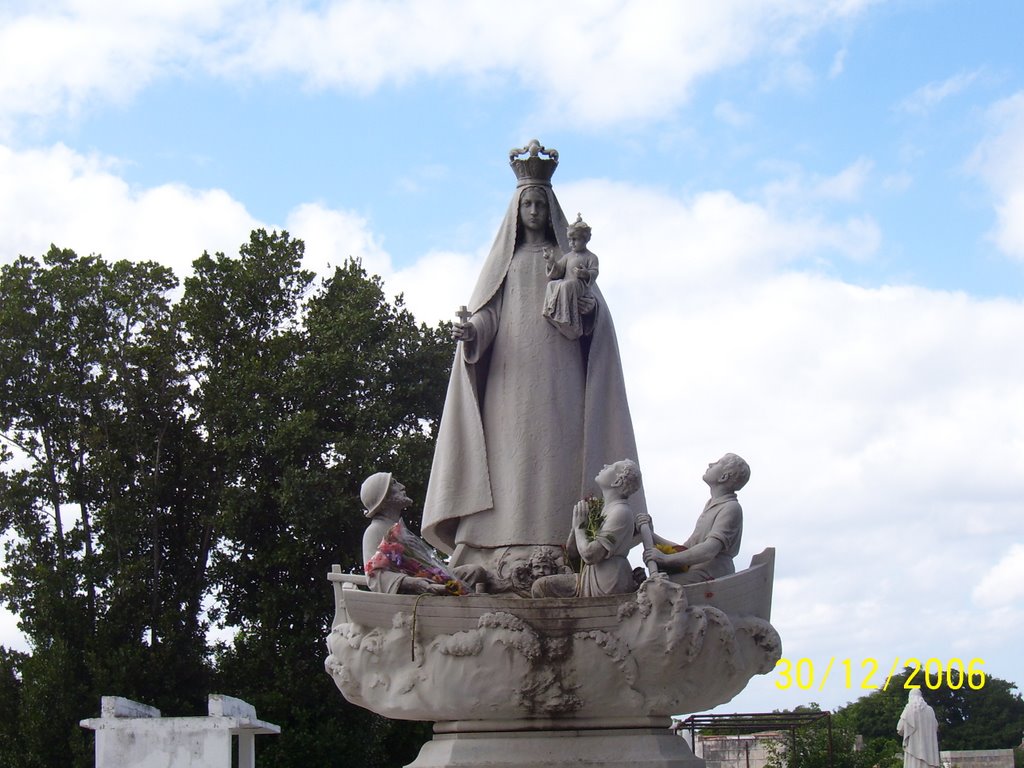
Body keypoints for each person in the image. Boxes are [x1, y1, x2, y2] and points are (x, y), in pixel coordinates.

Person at [422, 140, 644, 577]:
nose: (536, 212)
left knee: (558, 447)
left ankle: (563, 543)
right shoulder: (505, 264)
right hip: (508, 376)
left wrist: (588, 309)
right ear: (516, 213)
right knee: (508, 452)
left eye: (542, 204)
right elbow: (488, 315)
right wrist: (471, 333)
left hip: (560, 375)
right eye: (528, 205)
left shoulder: (568, 262)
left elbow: (595, 321)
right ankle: (494, 547)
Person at [532, 459, 643, 598]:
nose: (605, 465)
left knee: (541, 587)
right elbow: (572, 553)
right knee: (541, 586)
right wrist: (577, 526)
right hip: (591, 576)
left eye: (612, 467)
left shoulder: (621, 512)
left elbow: (590, 555)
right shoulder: (604, 509)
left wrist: (580, 527)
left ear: (617, 482)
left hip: (607, 582)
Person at [641, 454, 749, 583]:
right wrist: (651, 535)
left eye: (717, 463)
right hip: (697, 571)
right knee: (649, 586)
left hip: (710, 575)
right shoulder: (712, 505)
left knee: (653, 588)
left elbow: (709, 550)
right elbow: (687, 549)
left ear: (723, 477)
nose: (710, 464)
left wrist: (665, 559)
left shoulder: (731, 508)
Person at [360, 472, 451, 595]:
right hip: (415, 594)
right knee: (474, 573)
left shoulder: (398, 527)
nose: (402, 486)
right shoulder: (374, 531)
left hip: (433, 579)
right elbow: (374, 576)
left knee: (472, 572)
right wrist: (414, 583)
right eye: (394, 483)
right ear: (384, 498)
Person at [542, 213, 599, 340]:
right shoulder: (568, 256)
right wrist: (551, 261)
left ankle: (566, 317)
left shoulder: (591, 257)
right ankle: (552, 311)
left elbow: (594, 272)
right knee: (552, 284)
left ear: (585, 239)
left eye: (576, 239)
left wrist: (585, 274)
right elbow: (558, 271)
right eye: (570, 240)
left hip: (580, 287)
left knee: (566, 285)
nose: (572, 243)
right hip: (568, 283)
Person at [897, 689, 940, 768]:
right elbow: (936, 727)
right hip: (928, 752)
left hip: (913, 750)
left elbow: (900, 729)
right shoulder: (930, 710)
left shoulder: (908, 709)